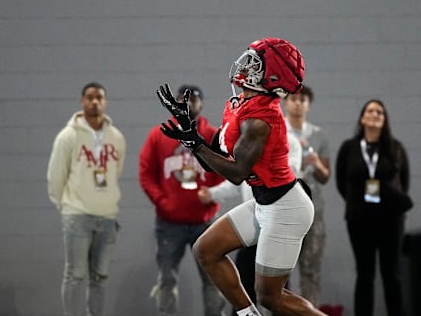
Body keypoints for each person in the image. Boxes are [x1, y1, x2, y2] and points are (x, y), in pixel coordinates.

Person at [157, 37, 324, 316]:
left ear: (271, 76)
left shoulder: (261, 120)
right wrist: (191, 131)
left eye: (255, 63)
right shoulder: (243, 104)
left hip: (286, 209)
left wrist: (194, 142)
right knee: (207, 250)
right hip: (265, 203)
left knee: (271, 297)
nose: (246, 65)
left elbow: (236, 174)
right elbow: (213, 162)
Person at [138, 84, 227, 316]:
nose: (187, 103)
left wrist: (212, 196)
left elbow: (224, 170)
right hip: (169, 224)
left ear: (202, 104)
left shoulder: (212, 135)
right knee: (167, 281)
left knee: (213, 280)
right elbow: (146, 173)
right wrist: (163, 202)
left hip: (205, 222)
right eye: (181, 99)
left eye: (193, 99)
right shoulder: (159, 134)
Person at [47, 82, 127, 316]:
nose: (95, 102)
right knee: (75, 275)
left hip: (107, 216)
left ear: (105, 102)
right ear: (82, 102)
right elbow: (56, 176)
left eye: (99, 98)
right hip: (77, 215)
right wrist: (65, 207)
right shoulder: (68, 136)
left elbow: (115, 172)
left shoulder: (116, 137)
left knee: (100, 277)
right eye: (90, 97)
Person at [197, 132, 303, 307]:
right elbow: (236, 179)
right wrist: (213, 193)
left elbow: (289, 172)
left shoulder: (289, 141)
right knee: (243, 281)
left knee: (274, 295)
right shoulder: (243, 141)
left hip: (280, 219)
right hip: (255, 218)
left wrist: (251, 163)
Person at [335, 99, 412, 316]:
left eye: (380, 112)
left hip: (390, 219)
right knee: (364, 274)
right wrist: (359, 202)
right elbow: (342, 183)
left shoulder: (395, 148)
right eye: (370, 111)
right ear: (362, 118)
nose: (375, 114)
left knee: (392, 274)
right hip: (359, 219)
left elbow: (403, 184)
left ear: (385, 119)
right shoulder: (348, 147)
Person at [283, 85, 331, 306]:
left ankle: (309, 311)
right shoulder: (277, 130)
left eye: (303, 100)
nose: (298, 103)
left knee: (311, 271)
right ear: (285, 102)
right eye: (293, 99)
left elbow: (325, 176)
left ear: (308, 105)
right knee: (280, 273)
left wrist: (317, 163)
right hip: (284, 211)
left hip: (313, 210)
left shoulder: (318, 135)